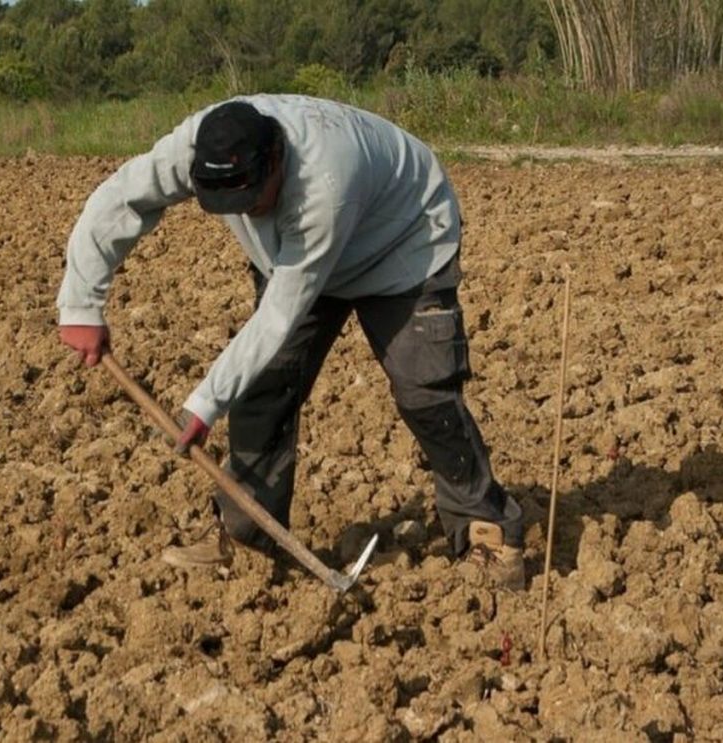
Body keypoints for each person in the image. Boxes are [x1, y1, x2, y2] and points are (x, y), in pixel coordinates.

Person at [57, 95, 525, 589]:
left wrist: (204, 404)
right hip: (295, 256)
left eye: (253, 201)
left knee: (425, 391)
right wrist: (81, 303)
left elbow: (281, 311)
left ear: (275, 161)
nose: (246, 215)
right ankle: (245, 539)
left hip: (403, 243)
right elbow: (119, 197)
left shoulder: (325, 183)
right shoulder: (198, 146)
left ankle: (490, 532)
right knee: (263, 387)